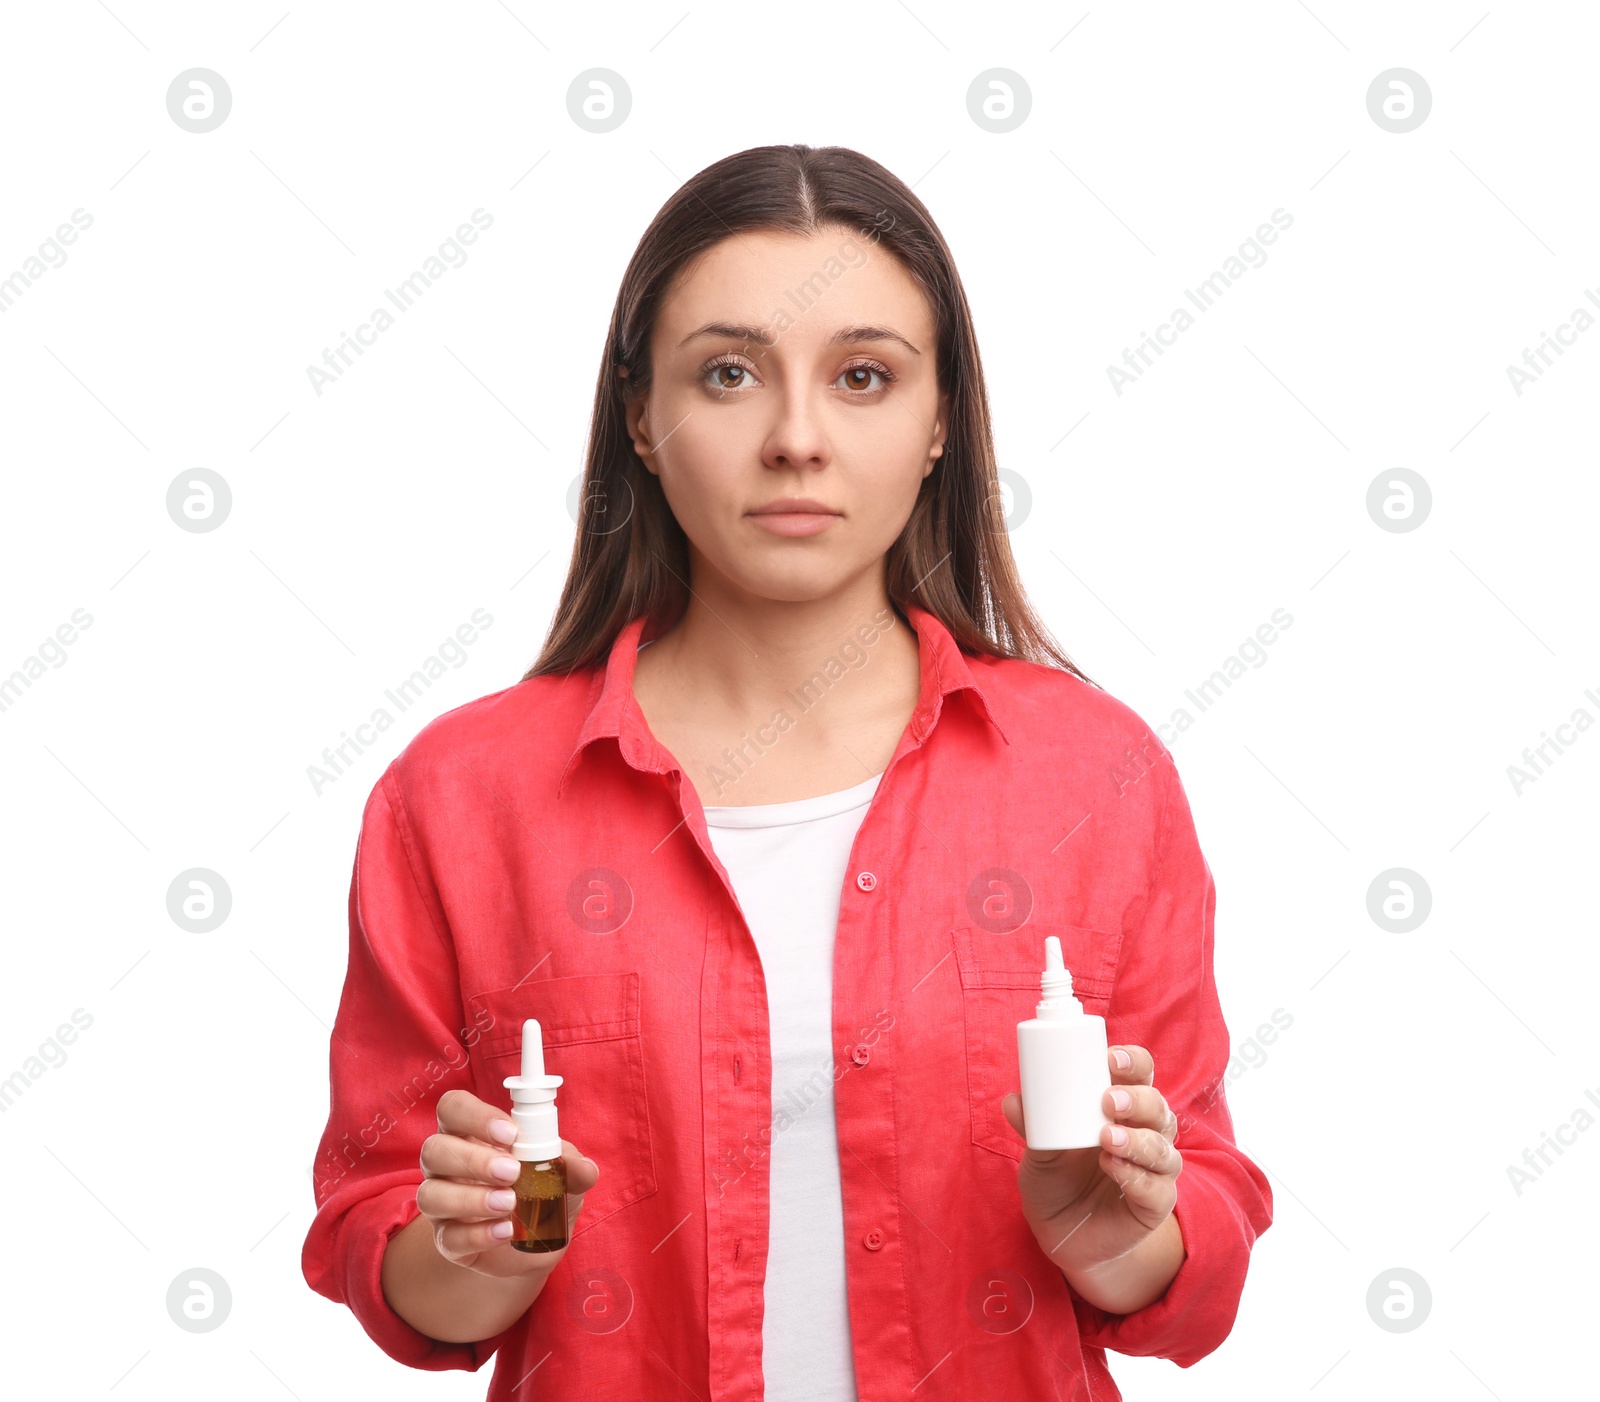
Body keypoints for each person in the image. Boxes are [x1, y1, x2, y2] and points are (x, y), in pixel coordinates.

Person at [301, 143, 1273, 1401]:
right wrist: (478, 1247)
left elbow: (1198, 1261)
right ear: (642, 417)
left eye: (863, 377)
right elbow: (382, 1251)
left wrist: (1116, 1227)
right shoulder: (461, 796)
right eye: (727, 374)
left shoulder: (1096, 778)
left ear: (938, 424)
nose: (797, 439)